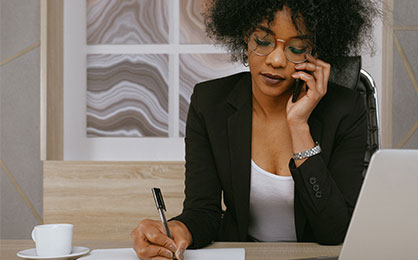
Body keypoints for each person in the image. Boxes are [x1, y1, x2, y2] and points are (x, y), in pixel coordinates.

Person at [131, 0, 378, 259]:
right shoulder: (210, 103)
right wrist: (177, 229)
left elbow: (335, 232)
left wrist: (299, 126)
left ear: (314, 52)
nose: (276, 59)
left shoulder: (345, 110)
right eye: (262, 41)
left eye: (296, 48)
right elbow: (202, 211)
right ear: (245, 35)